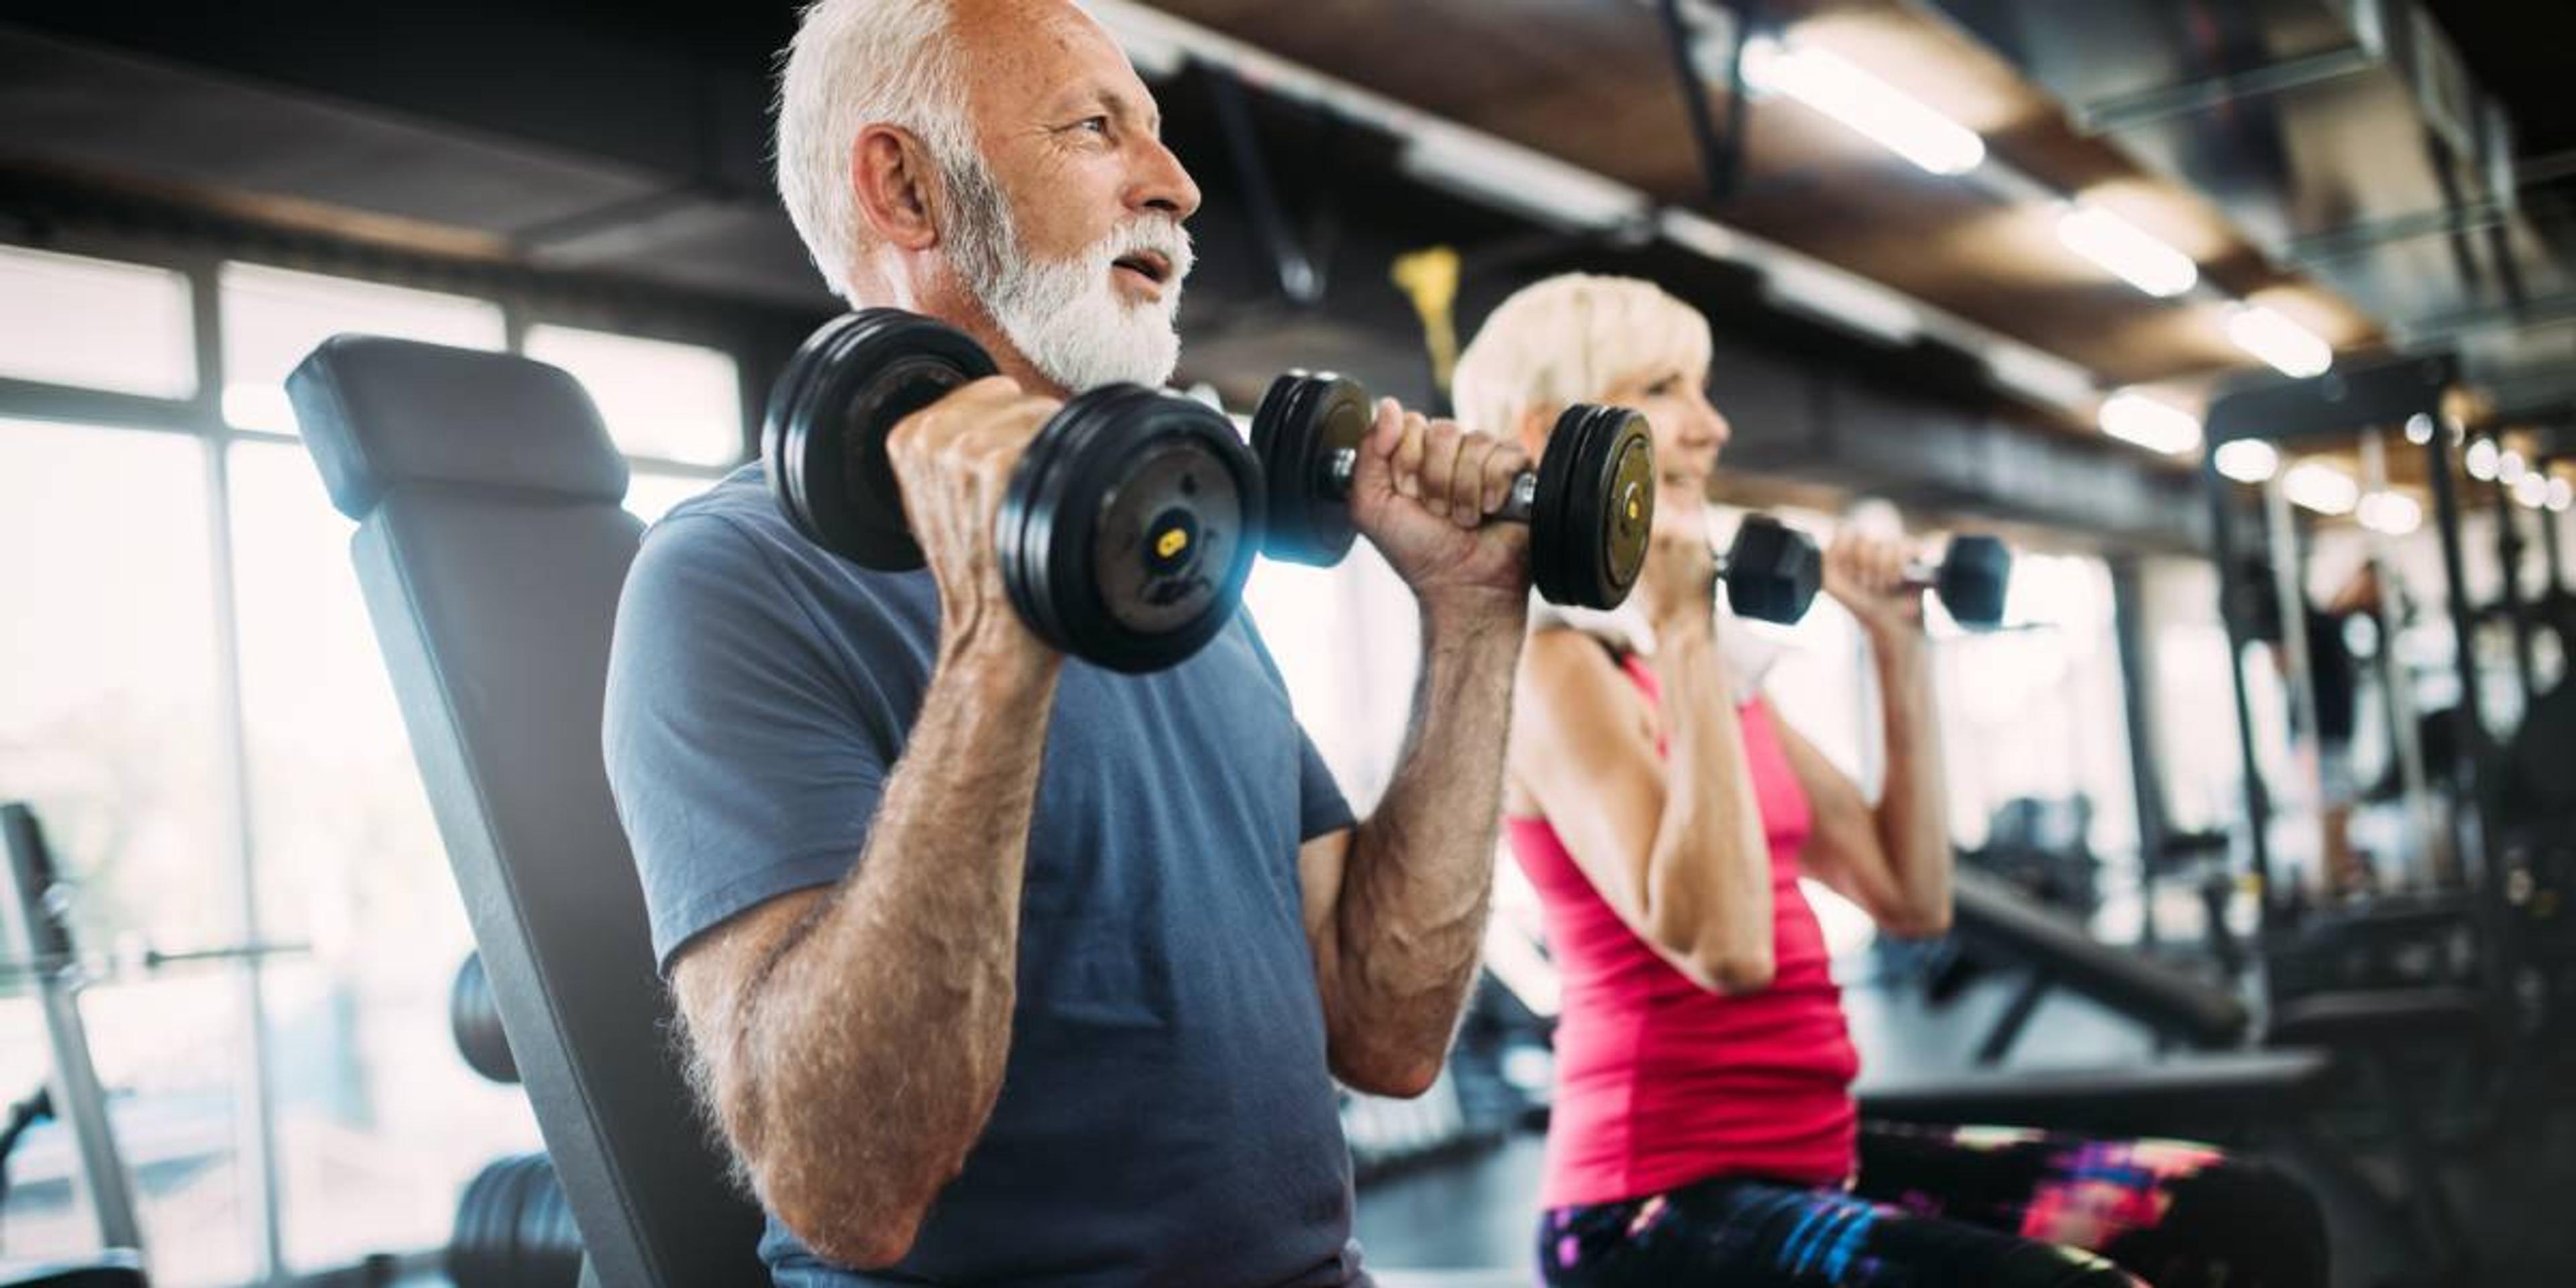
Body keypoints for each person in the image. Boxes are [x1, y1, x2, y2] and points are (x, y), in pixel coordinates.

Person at [600, 1, 1537, 1282]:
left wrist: (1473, 619)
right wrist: (999, 639)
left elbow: (1385, 1031)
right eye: (1097, 129)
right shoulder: (732, 576)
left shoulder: (1172, 563)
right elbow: (848, 1189)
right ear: (907, 188)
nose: (1180, 186)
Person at [1455, 274, 2329, 1288]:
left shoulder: (1708, 677)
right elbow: (1725, 948)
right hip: (1650, 1209)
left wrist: (1895, 645)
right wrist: (1687, 627)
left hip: (1815, 1154)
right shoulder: (1560, 670)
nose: (1712, 426)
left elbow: (1910, 898)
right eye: (1668, 389)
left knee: (2248, 1216)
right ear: (1554, 431)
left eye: (1703, 389)